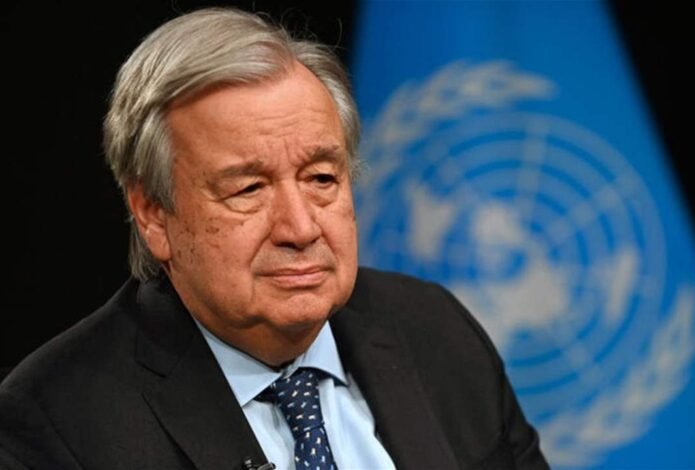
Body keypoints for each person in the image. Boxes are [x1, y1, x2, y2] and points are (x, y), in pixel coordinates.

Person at [0, 7, 548, 470]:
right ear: (153, 214)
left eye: (321, 179)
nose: (301, 228)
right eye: (249, 189)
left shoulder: (436, 330)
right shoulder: (56, 424)